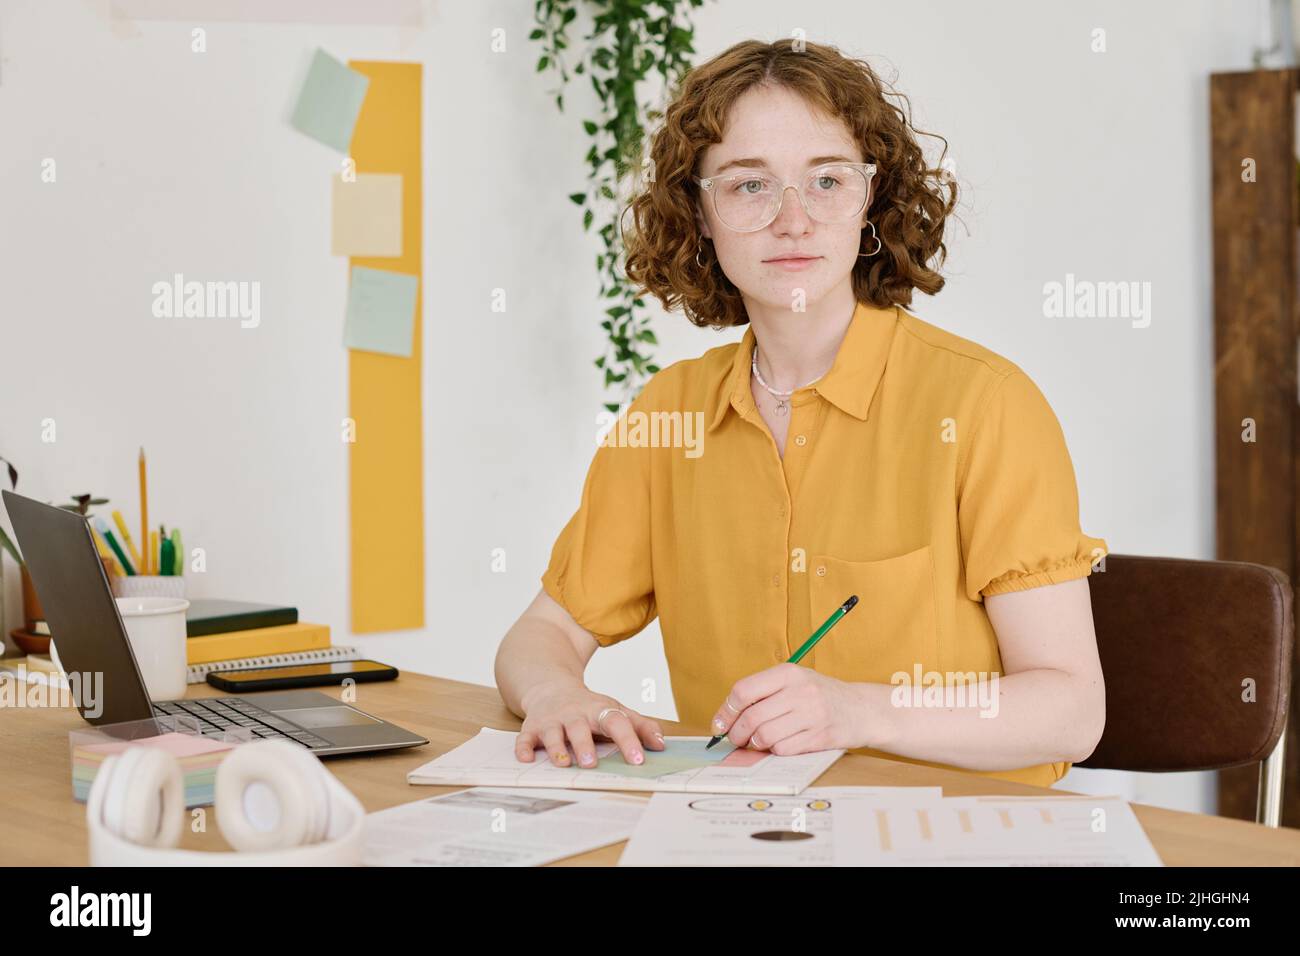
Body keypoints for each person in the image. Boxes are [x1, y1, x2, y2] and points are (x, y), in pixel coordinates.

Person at [494, 38, 1108, 788]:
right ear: (702, 213)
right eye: (749, 186)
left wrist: (859, 712)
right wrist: (559, 693)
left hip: (953, 836)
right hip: (742, 835)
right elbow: (542, 633)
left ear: (870, 201)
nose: (793, 220)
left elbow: (1071, 709)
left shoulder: (984, 404)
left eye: (826, 180)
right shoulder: (671, 413)